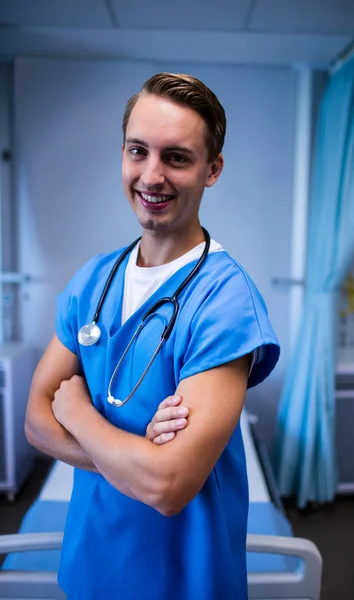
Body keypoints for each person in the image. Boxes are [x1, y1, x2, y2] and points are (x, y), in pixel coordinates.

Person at [25, 72, 280, 600]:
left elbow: (167, 487)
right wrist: (138, 453)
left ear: (213, 170)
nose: (151, 175)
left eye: (177, 158)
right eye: (138, 151)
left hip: (186, 578)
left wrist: (74, 411)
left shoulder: (224, 300)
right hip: (91, 565)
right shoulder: (92, 281)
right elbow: (33, 420)